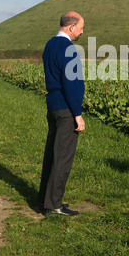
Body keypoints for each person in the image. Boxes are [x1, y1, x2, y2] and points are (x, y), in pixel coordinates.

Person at [38, 11, 85, 216]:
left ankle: (45, 199)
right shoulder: (68, 48)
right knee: (63, 157)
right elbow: (72, 83)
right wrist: (77, 113)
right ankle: (54, 205)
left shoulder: (49, 45)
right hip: (66, 109)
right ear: (71, 27)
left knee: (51, 154)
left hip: (53, 106)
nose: (82, 32)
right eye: (81, 27)